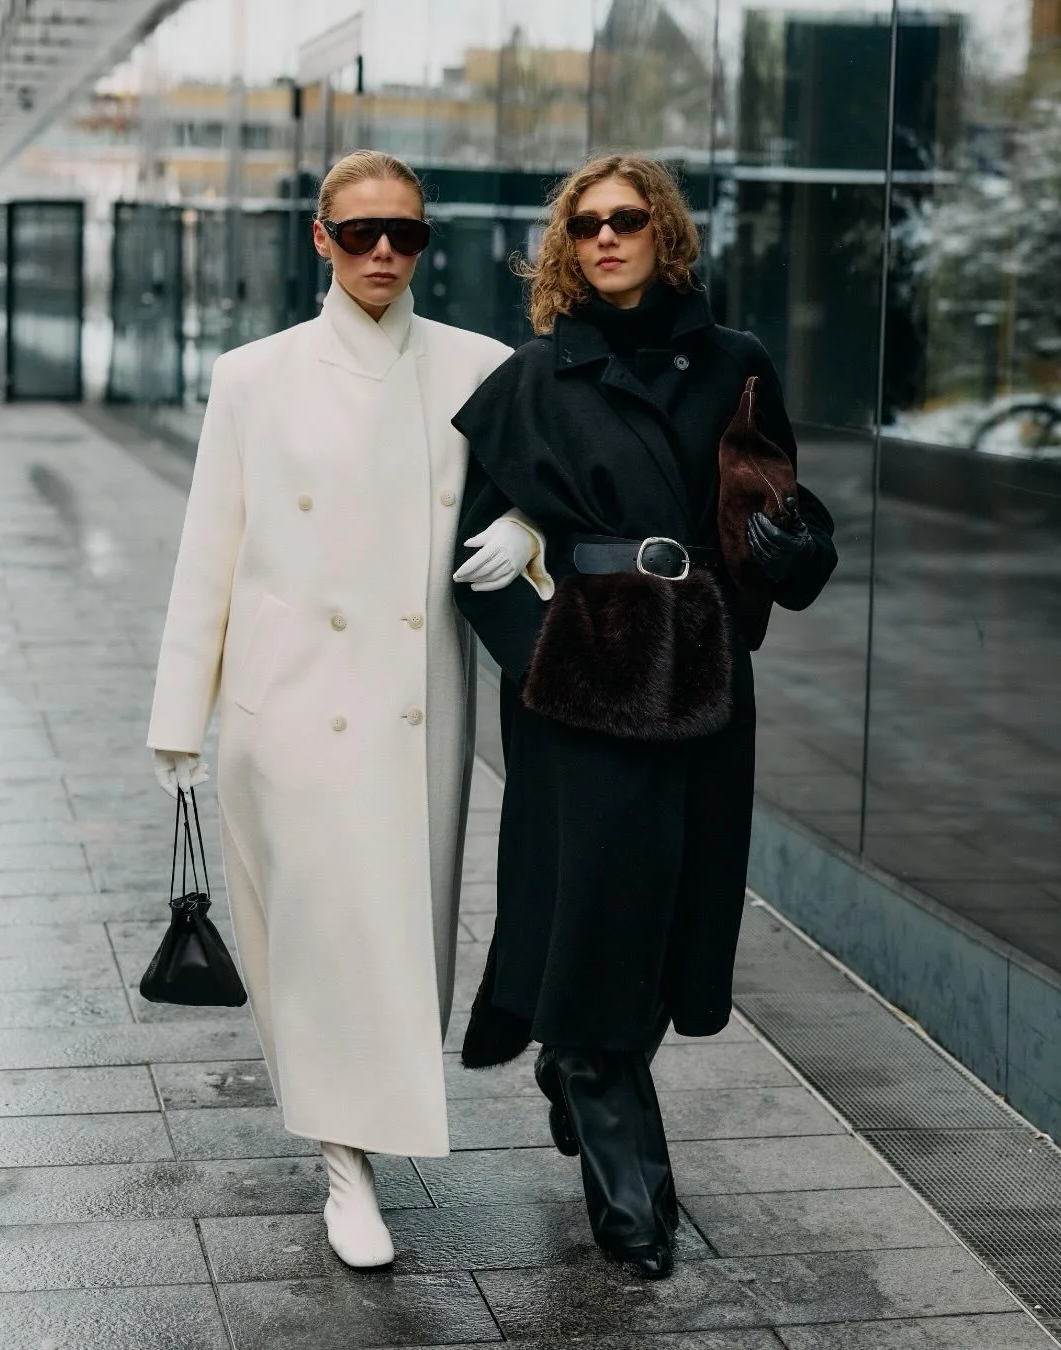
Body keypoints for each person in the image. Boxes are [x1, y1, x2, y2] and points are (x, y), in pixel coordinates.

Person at [147, 150, 549, 1270]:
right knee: (322, 939)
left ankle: (363, 1139)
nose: (384, 254)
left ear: (428, 245)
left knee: (406, 935)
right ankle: (344, 1169)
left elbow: (560, 489)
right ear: (318, 238)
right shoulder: (254, 376)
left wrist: (529, 534)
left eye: (406, 236)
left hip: (420, 706)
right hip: (291, 710)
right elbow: (209, 549)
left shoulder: (480, 367)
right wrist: (181, 714)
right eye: (362, 233)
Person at [451, 153, 837, 1279]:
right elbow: (470, 571)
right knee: (605, 908)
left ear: (664, 233)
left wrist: (799, 552)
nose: (606, 239)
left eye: (627, 220)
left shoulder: (735, 364)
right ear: (564, 248)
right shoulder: (535, 378)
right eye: (584, 226)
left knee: (679, 913)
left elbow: (775, 509)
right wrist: (548, 667)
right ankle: (629, 1180)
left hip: (708, 662)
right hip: (585, 683)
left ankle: (576, 1051)